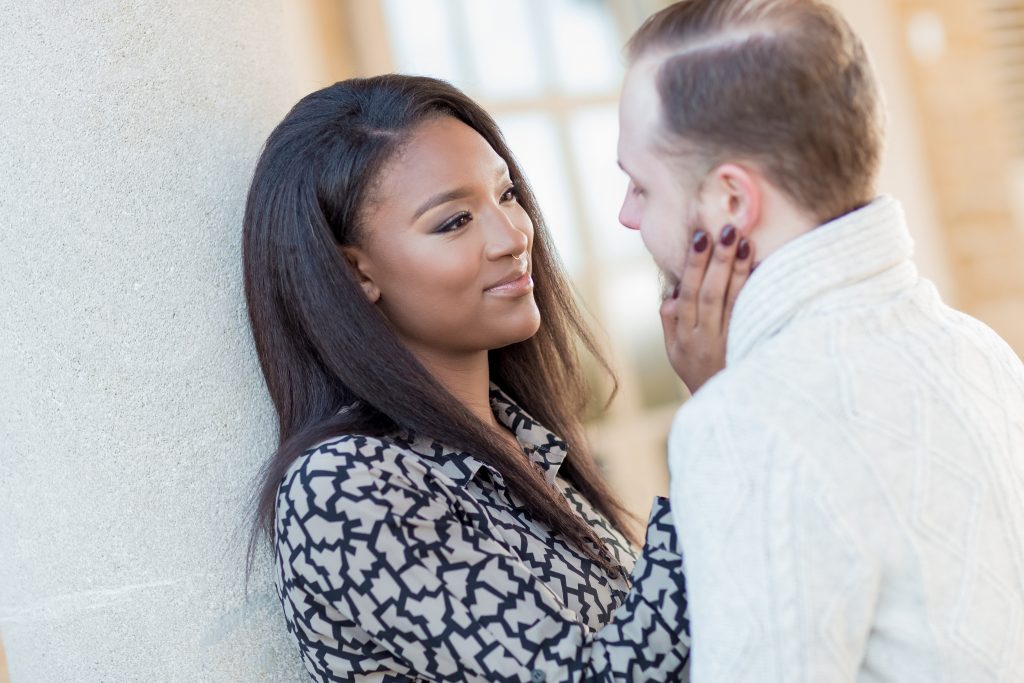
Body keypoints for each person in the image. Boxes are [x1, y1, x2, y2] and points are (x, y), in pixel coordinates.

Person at [242, 74, 740, 681]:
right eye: (453, 222)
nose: (513, 236)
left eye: (505, 196)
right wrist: (715, 413)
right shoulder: (346, 488)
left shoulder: (517, 440)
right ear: (355, 274)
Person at [617, 0, 1024, 680]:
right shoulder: (979, 348)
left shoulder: (744, 423)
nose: (625, 215)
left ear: (730, 203)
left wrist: (725, 406)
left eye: (640, 185)